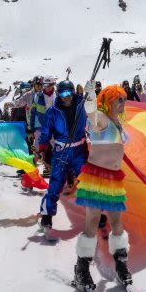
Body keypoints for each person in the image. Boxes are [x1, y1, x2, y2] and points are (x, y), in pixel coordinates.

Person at [73, 84, 135, 290]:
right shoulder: (101, 118)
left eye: (123, 99)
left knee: (116, 224)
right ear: (108, 101)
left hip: (114, 179)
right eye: (118, 99)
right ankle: (81, 269)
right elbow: (90, 113)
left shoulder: (118, 123)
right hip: (96, 177)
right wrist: (90, 97)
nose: (122, 103)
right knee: (92, 221)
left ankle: (121, 266)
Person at [37, 80, 88, 230]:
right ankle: (47, 216)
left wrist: (91, 94)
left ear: (73, 92)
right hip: (61, 152)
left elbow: (94, 110)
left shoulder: (82, 104)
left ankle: (96, 214)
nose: (67, 97)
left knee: (87, 182)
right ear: (58, 94)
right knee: (55, 183)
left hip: (80, 150)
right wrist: (43, 148)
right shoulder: (52, 111)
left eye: (69, 93)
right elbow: (46, 132)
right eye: (63, 93)